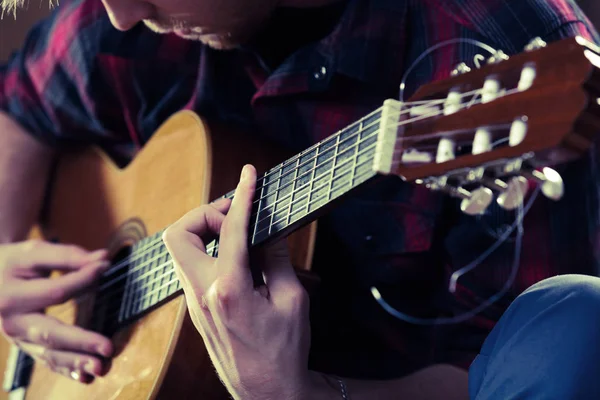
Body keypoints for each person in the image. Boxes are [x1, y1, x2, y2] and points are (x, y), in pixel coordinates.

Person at [0, 0, 599, 398]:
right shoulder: (126, 17)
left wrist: (295, 392)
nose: (124, 16)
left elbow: (511, 375)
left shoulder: (499, 43)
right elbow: (17, 109)